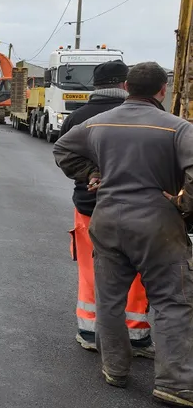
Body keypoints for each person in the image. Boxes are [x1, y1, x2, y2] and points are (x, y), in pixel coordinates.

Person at [53, 61, 193, 408]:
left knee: (110, 299)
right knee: (172, 303)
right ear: (163, 90)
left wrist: (92, 175)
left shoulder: (97, 123)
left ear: (127, 86)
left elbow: (62, 150)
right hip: (157, 225)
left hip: (107, 218)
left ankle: (115, 369)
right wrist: (183, 205)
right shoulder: (178, 128)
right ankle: (175, 385)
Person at [57, 60, 153, 357]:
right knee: (137, 273)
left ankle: (89, 330)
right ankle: (135, 334)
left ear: (95, 86)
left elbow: (63, 154)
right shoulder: (152, 115)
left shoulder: (79, 118)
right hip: (140, 208)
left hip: (90, 208)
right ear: (126, 84)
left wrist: (92, 175)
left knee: (91, 269)